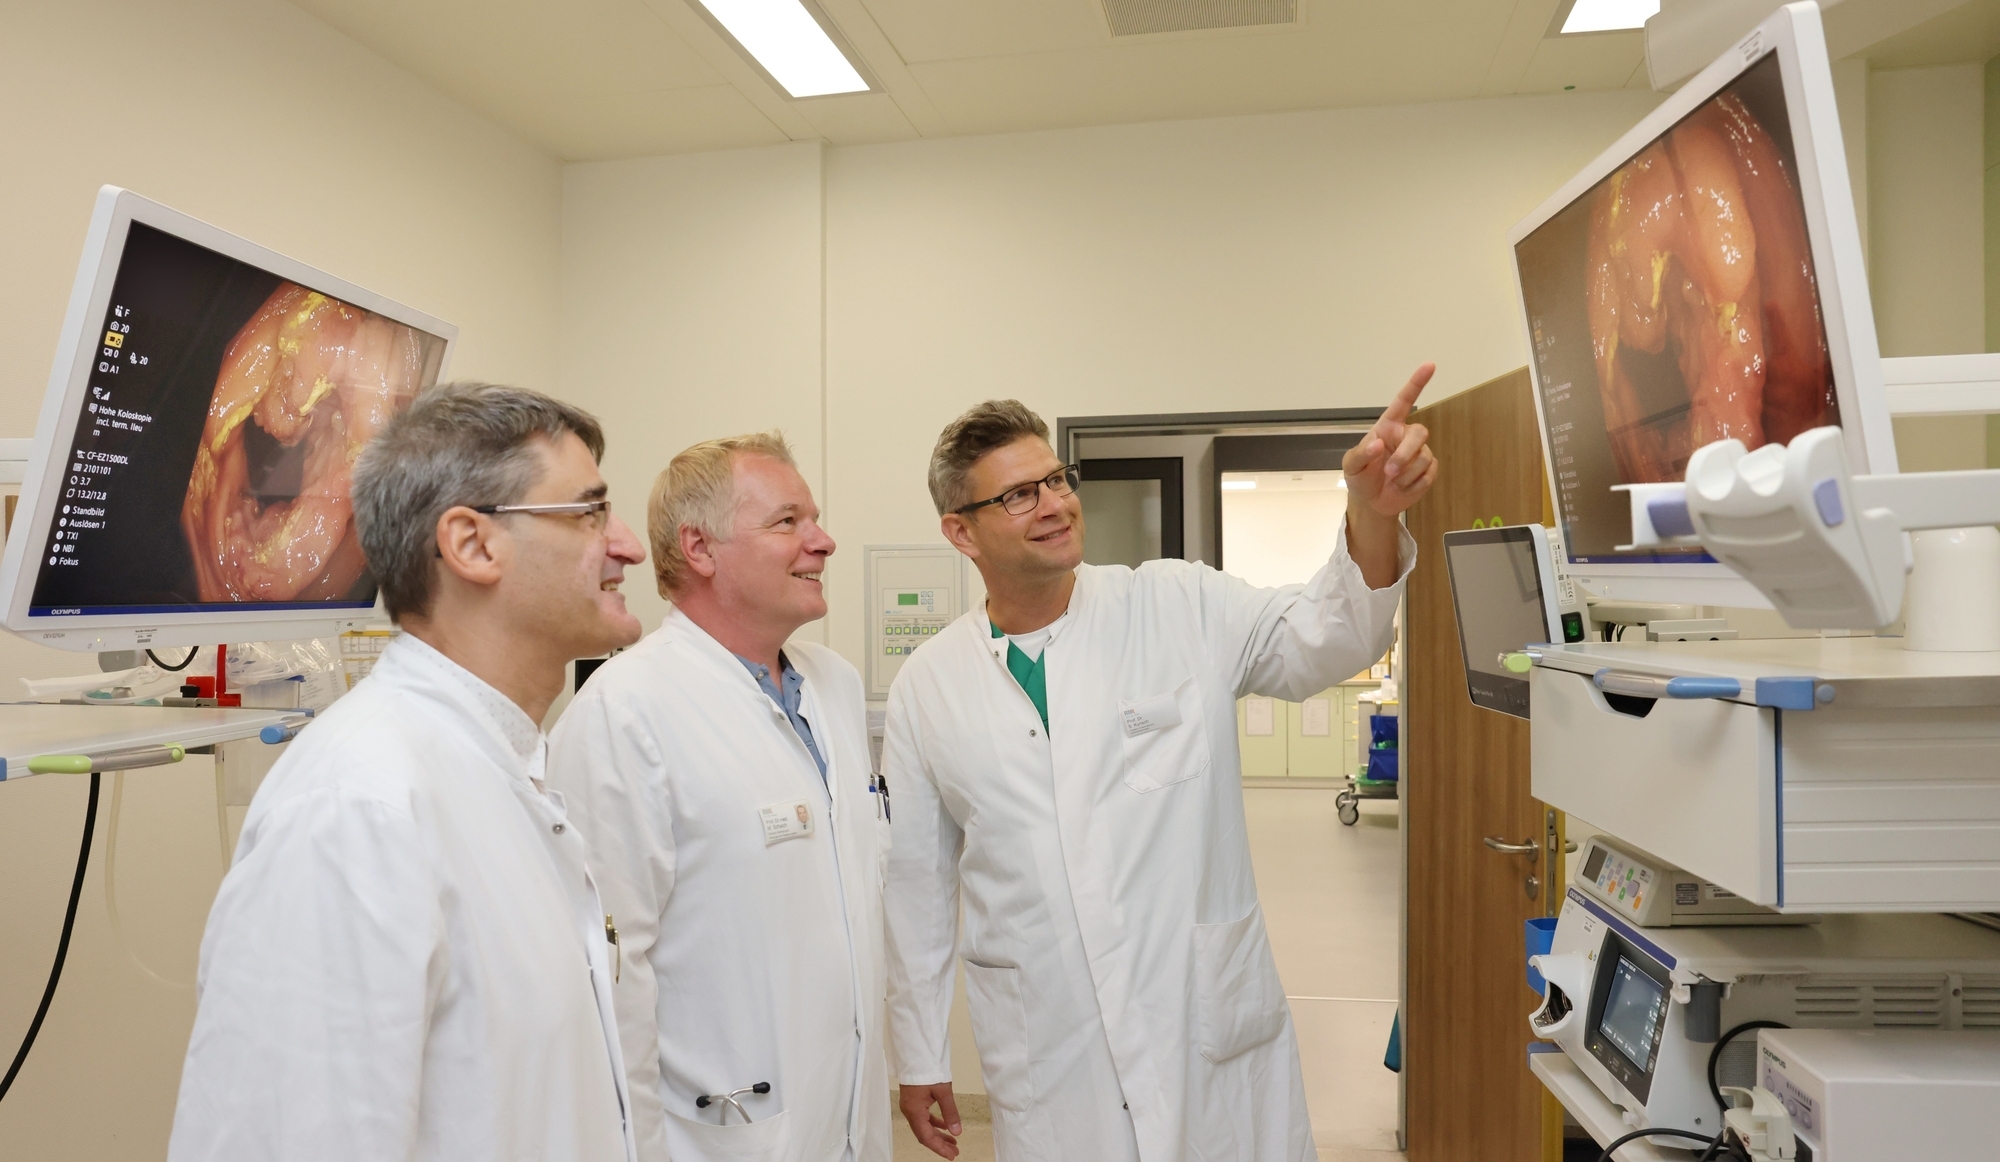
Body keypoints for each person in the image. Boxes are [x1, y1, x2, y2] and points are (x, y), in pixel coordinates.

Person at [885, 367, 1439, 1162]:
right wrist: (918, 1056)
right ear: (961, 532)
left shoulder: (1177, 603)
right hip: (1049, 1048)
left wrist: (1372, 513)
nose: (1055, 503)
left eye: (1056, 479)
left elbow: (1329, 636)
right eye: (1018, 495)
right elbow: (916, 885)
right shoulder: (929, 686)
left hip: (1199, 1024)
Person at [169, 383, 647, 1162]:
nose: (628, 545)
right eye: (589, 513)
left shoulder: (498, 765)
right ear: (473, 545)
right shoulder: (357, 807)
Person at [547, 433, 890, 1162]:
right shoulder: (624, 712)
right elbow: (607, 982)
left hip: (846, 1114)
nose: (823, 541)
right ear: (699, 548)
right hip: (715, 1134)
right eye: (788, 521)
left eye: (814, 518)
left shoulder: (833, 684)